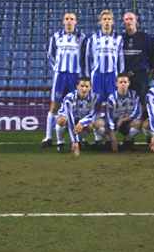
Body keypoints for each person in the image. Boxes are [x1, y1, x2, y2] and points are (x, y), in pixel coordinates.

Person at [42, 11, 86, 148]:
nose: (69, 21)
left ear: (76, 21)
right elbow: (50, 55)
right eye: (67, 19)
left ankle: (79, 138)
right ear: (63, 21)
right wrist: (58, 67)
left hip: (75, 76)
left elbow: (86, 56)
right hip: (60, 76)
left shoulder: (82, 37)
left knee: (77, 107)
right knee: (55, 106)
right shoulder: (56, 36)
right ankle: (49, 137)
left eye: (72, 19)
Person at [120, 11, 154, 118]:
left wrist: (149, 73)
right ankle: (128, 125)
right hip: (125, 76)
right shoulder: (120, 39)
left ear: (136, 21)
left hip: (140, 75)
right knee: (126, 101)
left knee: (143, 101)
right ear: (123, 23)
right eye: (126, 19)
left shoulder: (146, 38)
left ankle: (146, 125)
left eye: (131, 19)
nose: (129, 21)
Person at [83, 9, 125, 108]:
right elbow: (88, 59)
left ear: (112, 21)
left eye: (109, 19)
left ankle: (110, 123)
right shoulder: (93, 38)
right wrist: (88, 76)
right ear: (100, 22)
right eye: (104, 19)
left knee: (113, 103)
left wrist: (121, 75)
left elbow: (121, 59)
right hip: (97, 75)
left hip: (112, 75)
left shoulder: (118, 39)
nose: (107, 21)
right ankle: (96, 122)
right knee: (96, 103)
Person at [94, 73, 142, 152]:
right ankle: (109, 141)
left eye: (125, 82)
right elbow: (108, 119)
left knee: (139, 123)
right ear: (116, 84)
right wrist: (113, 139)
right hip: (113, 122)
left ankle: (127, 141)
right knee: (98, 123)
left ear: (129, 83)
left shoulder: (134, 95)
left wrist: (122, 120)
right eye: (121, 82)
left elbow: (137, 113)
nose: (123, 84)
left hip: (127, 123)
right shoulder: (111, 98)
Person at [54, 76, 98, 156]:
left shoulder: (94, 98)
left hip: (80, 122)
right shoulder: (69, 98)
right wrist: (75, 141)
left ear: (90, 87)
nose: (84, 89)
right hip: (67, 121)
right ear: (77, 86)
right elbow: (70, 120)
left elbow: (92, 114)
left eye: (86, 86)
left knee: (90, 126)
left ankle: (79, 140)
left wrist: (81, 123)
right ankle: (61, 143)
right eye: (82, 86)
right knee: (61, 120)